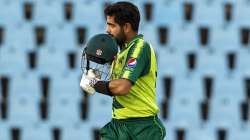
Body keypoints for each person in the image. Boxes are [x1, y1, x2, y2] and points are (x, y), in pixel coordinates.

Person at [80, 1, 166, 140]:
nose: (107, 30)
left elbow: (122, 87)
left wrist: (93, 83)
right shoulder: (121, 53)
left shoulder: (140, 48)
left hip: (142, 128)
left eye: (112, 25)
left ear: (126, 27)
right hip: (118, 126)